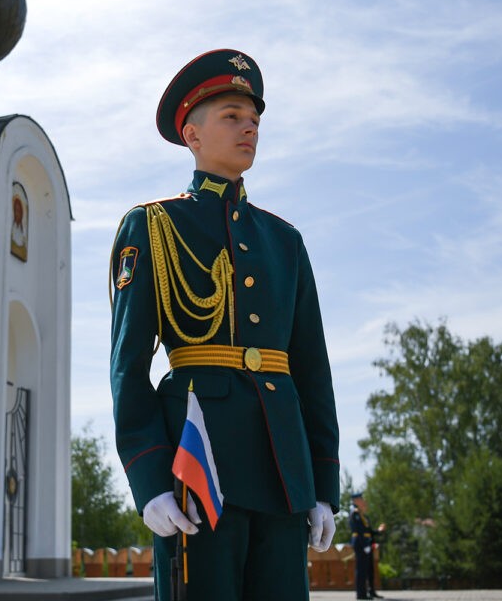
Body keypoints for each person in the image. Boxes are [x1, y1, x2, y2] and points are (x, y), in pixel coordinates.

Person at [109, 49, 340, 600]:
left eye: (254, 120)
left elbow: (312, 370)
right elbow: (129, 367)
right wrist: (148, 479)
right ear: (192, 134)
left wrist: (323, 483)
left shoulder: (285, 242)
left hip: (285, 471)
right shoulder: (153, 227)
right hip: (197, 468)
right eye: (232, 116)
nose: (249, 129)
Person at [350, 492, 383, 599]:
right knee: (361, 569)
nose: (363, 500)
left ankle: (371, 591)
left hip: (367, 544)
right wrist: (365, 546)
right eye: (360, 498)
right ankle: (361, 594)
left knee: (369, 569)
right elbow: (358, 531)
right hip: (361, 544)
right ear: (355, 501)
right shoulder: (355, 514)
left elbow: (368, 531)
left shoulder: (363, 515)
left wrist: (378, 531)